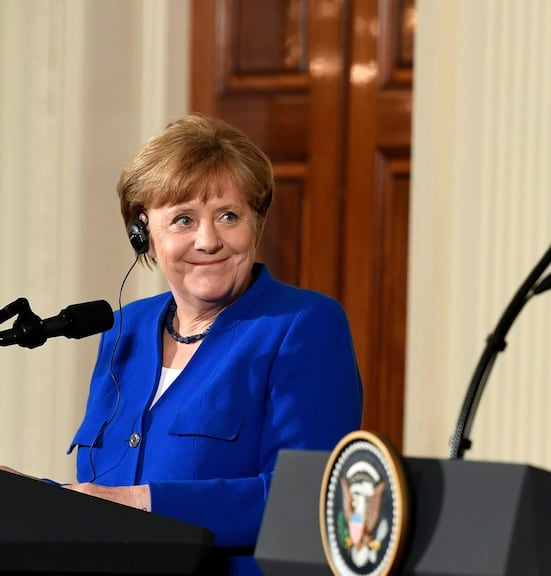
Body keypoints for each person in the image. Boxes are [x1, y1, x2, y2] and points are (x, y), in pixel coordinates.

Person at [47, 113, 361, 575]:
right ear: (143, 236)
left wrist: (145, 502)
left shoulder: (303, 324)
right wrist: (31, 494)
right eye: (183, 219)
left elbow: (307, 499)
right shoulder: (123, 328)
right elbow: (103, 496)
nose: (208, 240)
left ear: (256, 224)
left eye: (228, 216)